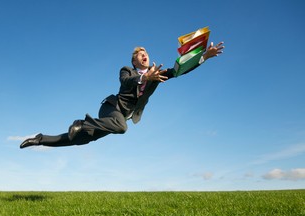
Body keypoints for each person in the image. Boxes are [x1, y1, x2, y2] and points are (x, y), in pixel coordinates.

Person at [20, 42, 224, 149]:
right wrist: (143, 79)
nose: (144, 54)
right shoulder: (127, 70)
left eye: (146, 52)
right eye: (139, 54)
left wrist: (204, 56)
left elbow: (179, 71)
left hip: (119, 117)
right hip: (111, 107)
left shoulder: (158, 75)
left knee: (78, 140)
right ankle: (82, 123)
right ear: (134, 61)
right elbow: (125, 82)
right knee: (120, 127)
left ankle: (39, 139)